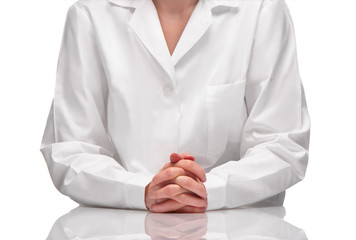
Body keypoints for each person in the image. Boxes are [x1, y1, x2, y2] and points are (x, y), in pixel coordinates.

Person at [39, 0, 311, 213]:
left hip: (238, 227)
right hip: (123, 227)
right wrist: (141, 191)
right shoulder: (90, 13)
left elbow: (282, 147)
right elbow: (70, 150)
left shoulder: (262, 9)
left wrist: (207, 191)